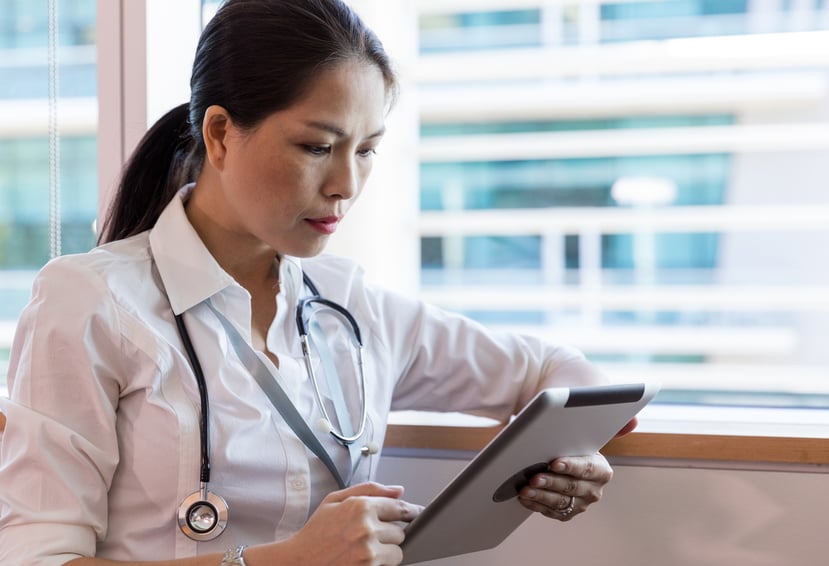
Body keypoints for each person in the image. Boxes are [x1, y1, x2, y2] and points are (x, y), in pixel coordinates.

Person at [0, 1, 636, 564]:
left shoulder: (351, 306)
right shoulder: (92, 301)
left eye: (365, 150)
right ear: (221, 134)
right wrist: (282, 563)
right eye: (316, 147)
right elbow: (37, 557)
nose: (345, 185)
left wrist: (575, 456)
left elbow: (560, 371)